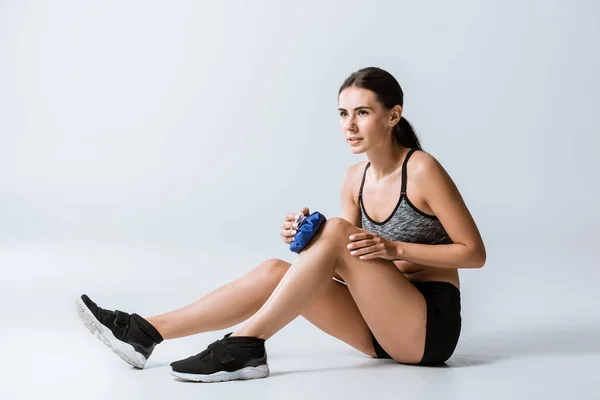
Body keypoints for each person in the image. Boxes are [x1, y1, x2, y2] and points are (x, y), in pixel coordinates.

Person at [75, 66, 486, 383]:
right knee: (278, 269)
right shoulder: (353, 179)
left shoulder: (423, 169)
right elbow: (349, 261)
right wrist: (308, 240)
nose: (350, 124)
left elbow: (474, 253)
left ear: (393, 115)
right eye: (343, 113)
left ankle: (245, 344)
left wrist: (395, 249)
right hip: (376, 326)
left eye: (363, 112)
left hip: (426, 331)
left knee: (339, 231)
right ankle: (145, 332)